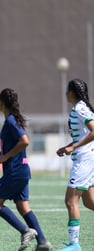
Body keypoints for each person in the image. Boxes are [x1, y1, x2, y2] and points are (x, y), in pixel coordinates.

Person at [0, 88, 51, 251]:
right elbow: (15, 146)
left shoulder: (10, 121)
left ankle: (25, 230)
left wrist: (5, 157)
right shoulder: (13, 120)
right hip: (21, 170)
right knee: (23, 207)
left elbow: (24, 141)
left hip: (14, 171)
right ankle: (42, 242)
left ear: (1, 103)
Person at [56, 78, 94, 251]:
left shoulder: (80, 108)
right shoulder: (79, 108)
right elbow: (83, 134)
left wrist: (74, 146)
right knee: (89, 201)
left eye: (67, 90)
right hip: (87, 158)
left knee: (70, 200)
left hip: (85, 160)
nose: (65, 93)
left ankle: (74, 244)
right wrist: (68, 146)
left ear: (71, 92)